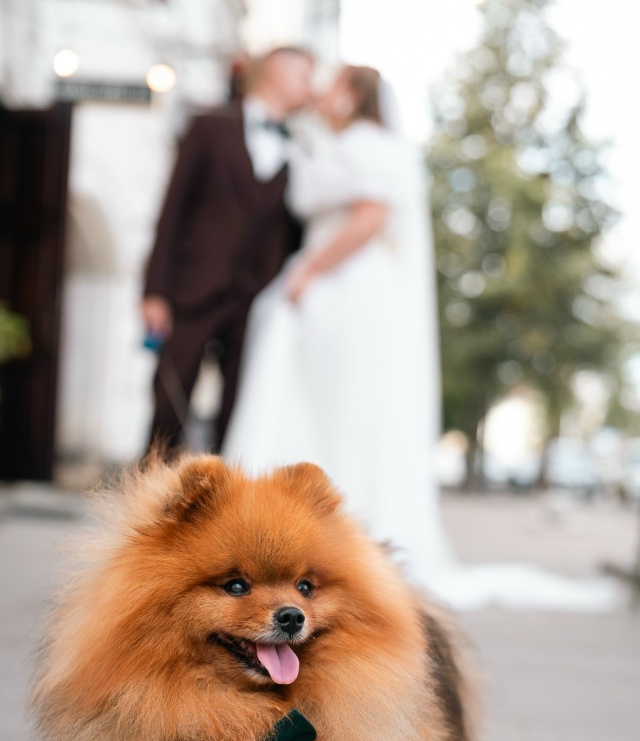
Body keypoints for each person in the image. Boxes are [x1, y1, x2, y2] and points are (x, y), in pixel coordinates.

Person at [223, 64, 622, 613]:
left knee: (338, 409)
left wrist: (310, 271)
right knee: (320, 406)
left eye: (332, 86)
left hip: (344, 289)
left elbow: (369, 217)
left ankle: (317, 534)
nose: (321, 92)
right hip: (335, 287)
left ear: (353, 96)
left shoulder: (367, 146)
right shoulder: (343, 143)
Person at [141, 46, 314, 453]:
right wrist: (154, 292)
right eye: (304, 76)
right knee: (168, 407)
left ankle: (222, 496)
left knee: (239, 416)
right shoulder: (210, 127)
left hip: (257, 299)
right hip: (191, 290)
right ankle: (152, 492)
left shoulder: (303, 150)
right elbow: (173, 211)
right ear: (274, 71)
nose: (311, 88)